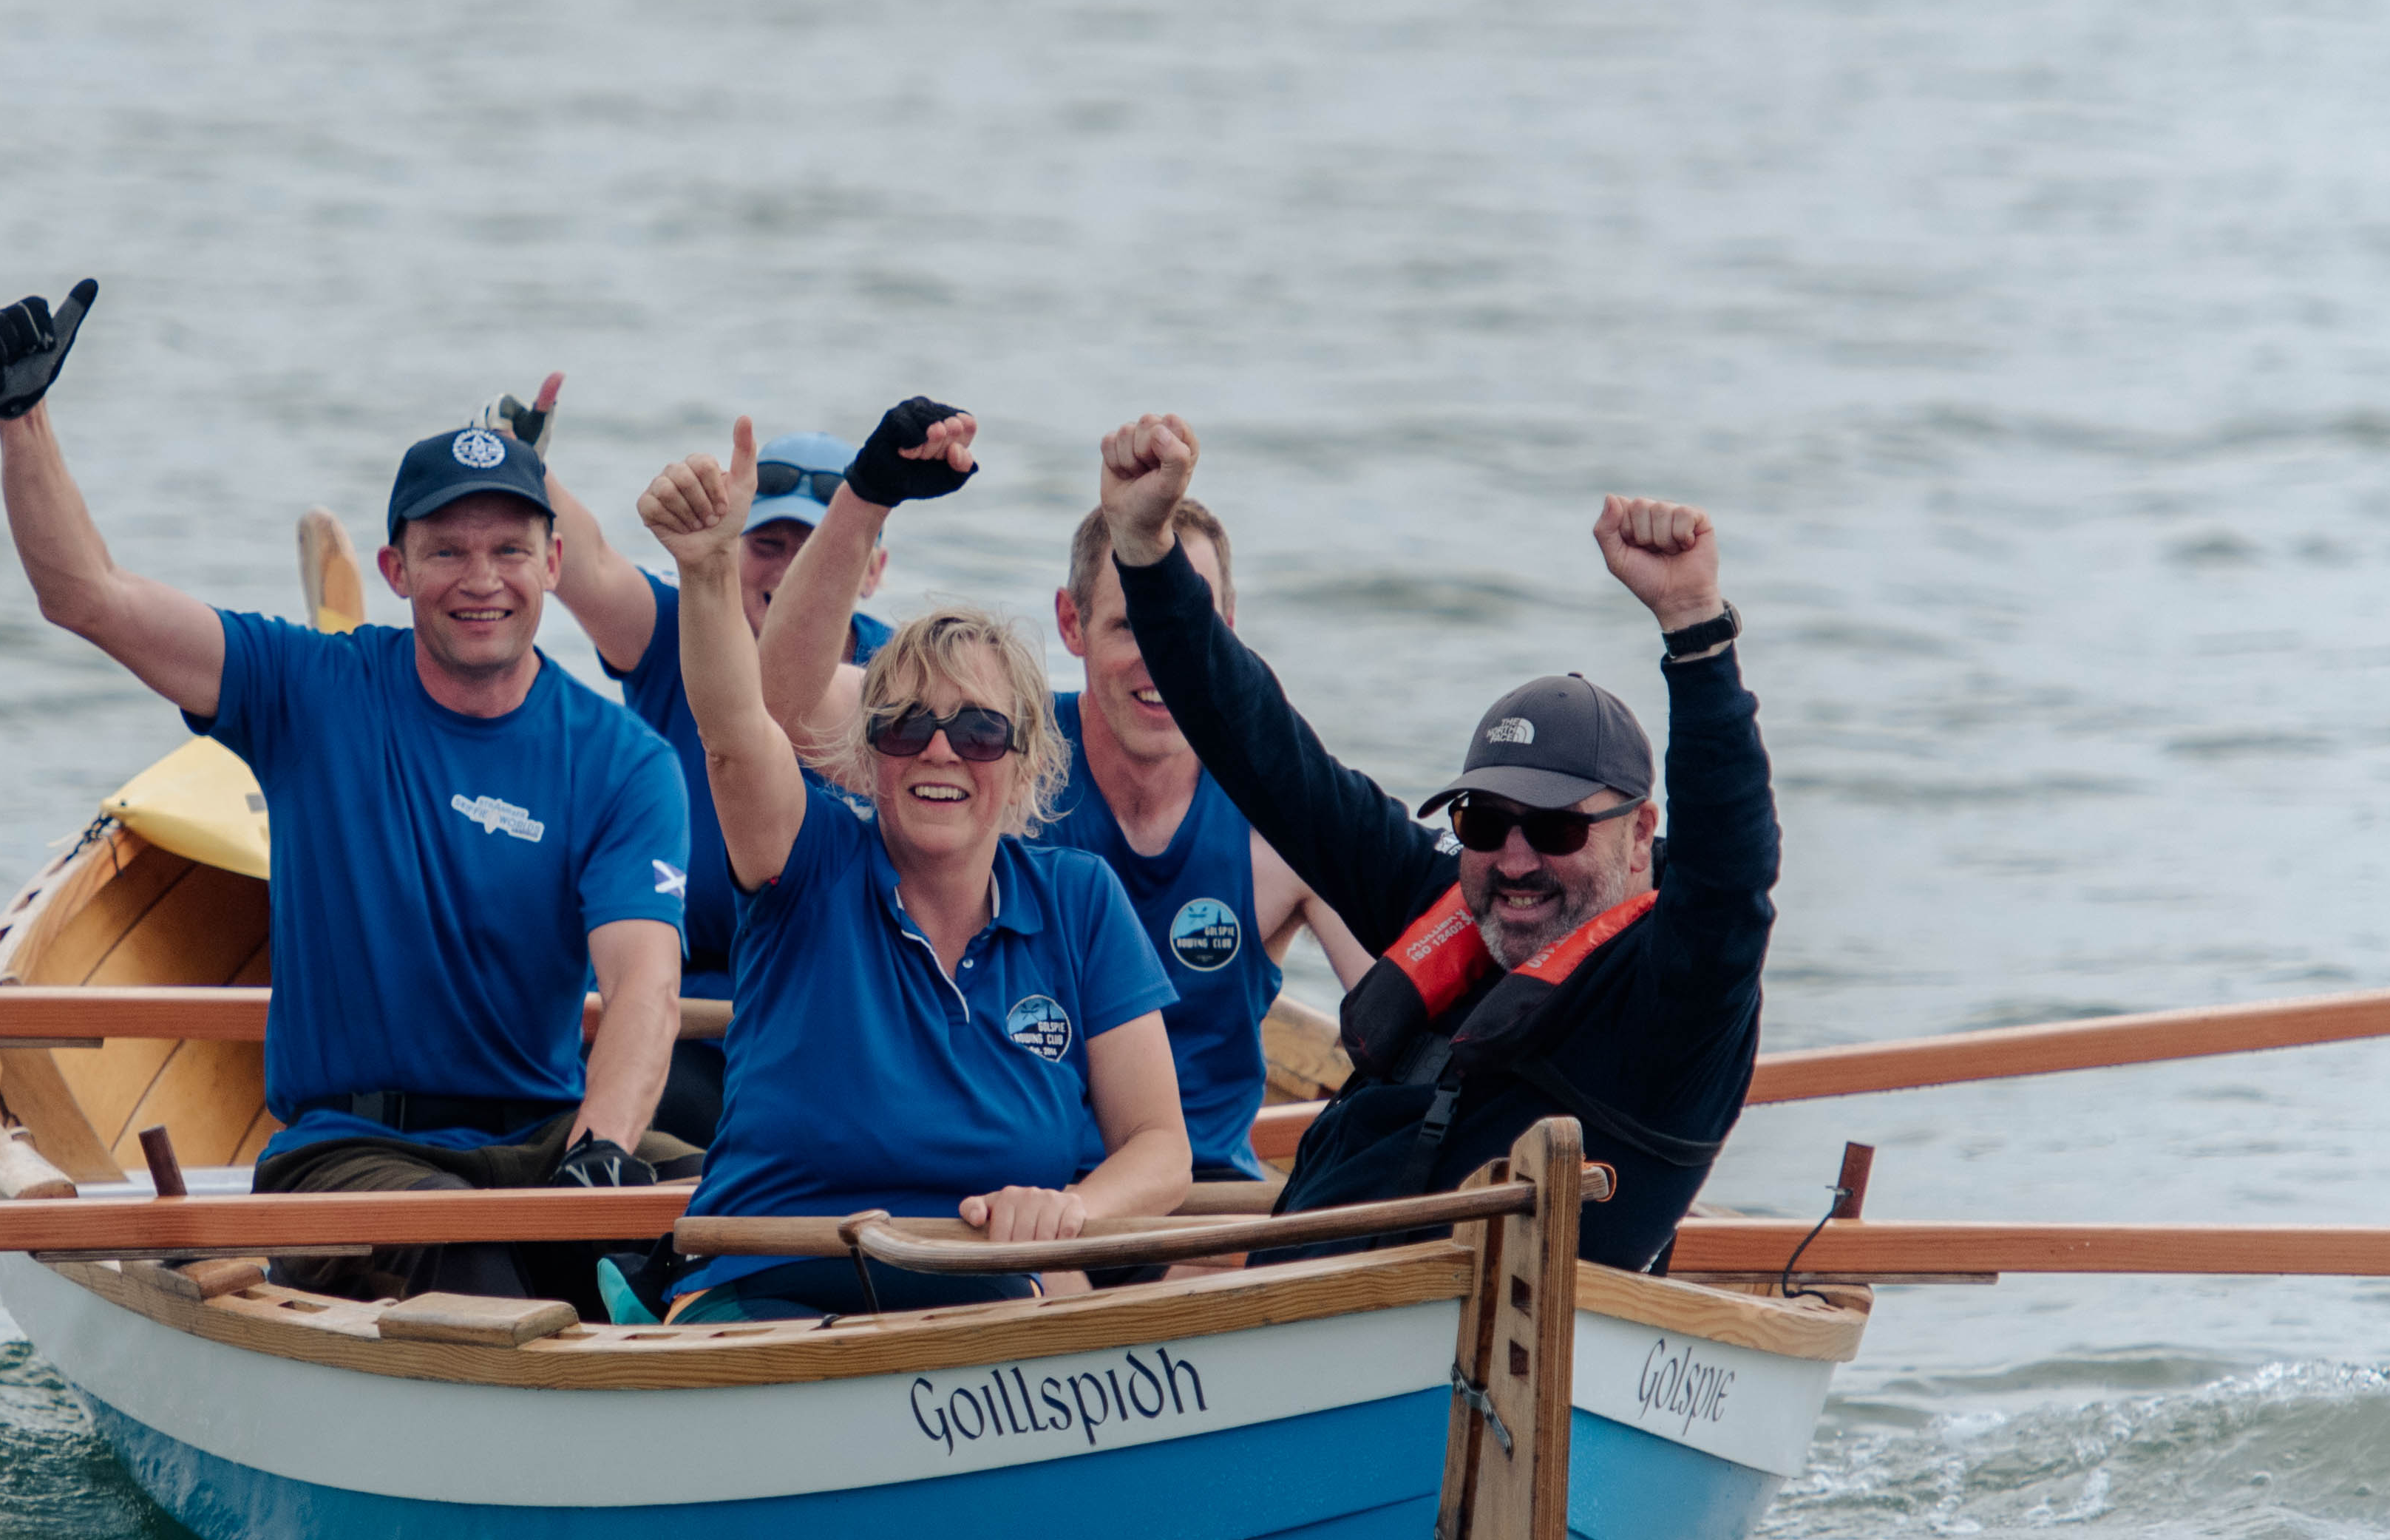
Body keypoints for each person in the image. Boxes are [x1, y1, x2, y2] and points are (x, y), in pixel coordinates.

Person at [0, 279, 690, 1304]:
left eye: (508, 549)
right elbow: (88, 597)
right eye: (447, 551)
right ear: (395, 568)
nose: (481, 578)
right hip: (350, 1151)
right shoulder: (307, 688)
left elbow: (646, 988)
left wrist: (601, 1152)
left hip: (543, 1134)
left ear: (553, 561)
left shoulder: (622, 760)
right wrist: (22, 419)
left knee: (744, 1212)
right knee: (482, 1278)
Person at [1090, 411, 1776, 1272]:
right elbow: (1267, 754)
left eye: (1557, 827)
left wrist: (1694, 625)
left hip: (1458, 1335)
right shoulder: (1452, 901)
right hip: (1284, 1317)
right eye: (1484, 822)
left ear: (1641, 834)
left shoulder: (1681, 1000)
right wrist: (1144, 549)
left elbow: (1732, 869)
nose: (1515, 860)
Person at [634, 420, 1190, 1322]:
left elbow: (1161, 1146)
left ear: (1025, 767)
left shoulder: (1080, 899)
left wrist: (1071, 1212)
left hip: (979, 1297)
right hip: (769, 1280)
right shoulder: (807, 858)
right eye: (904, 725)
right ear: (866, 757)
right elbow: (736, 734)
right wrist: (707, 571)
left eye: (979, 730)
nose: (940, 750)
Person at [750, 428, 1369, 1184]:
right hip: (1010, 1197)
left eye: (1185, 622)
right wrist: (866, 495)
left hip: (1201, 1208)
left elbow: (1409, 1015)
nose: (1160, 654)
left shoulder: (1283, 810)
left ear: (1226, 632)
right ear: (1071, 624)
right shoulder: (988, 741)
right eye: (1129, 623)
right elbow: (780, 706)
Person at [530, 379, 892, 1146]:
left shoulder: (905, 686)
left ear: (870, 569)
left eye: (815, 550)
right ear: (733, 545)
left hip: (833, 1037)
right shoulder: (671, 634)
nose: (788, 573)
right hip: (674, 1035)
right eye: (768, 545)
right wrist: (519, 458)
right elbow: (585, 561)